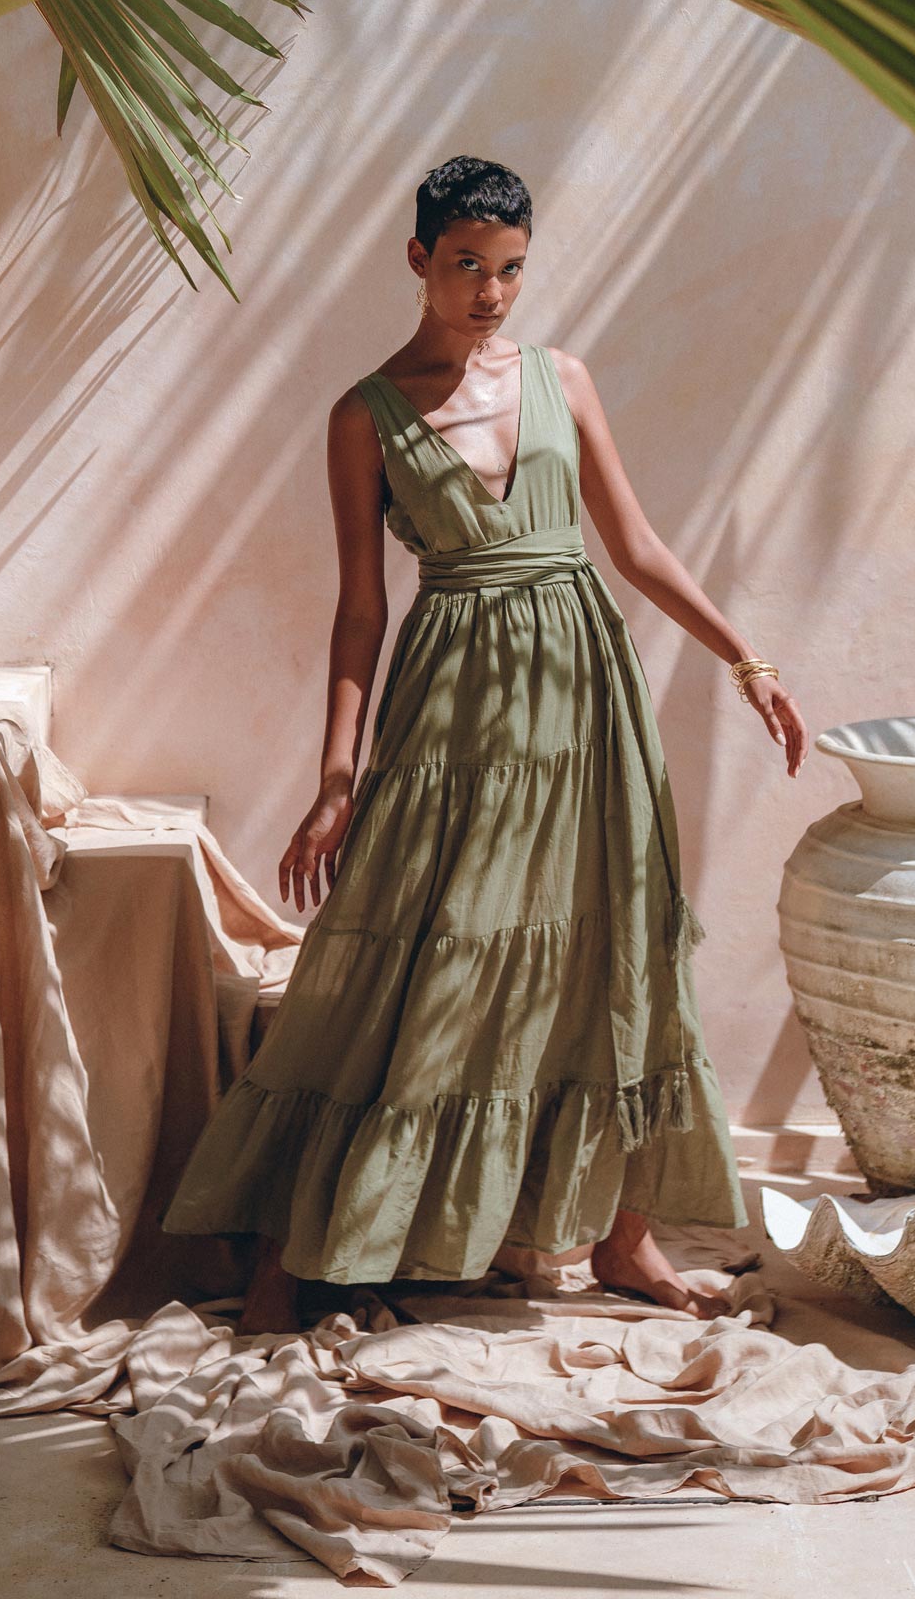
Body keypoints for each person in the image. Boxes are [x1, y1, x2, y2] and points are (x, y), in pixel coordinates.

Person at [162, 155, 807, 1333]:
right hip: (454, 706)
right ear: (417, 259)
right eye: (467, 265)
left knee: (617, 947)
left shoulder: (563, 377)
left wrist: (746, 659)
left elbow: (637, 544)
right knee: (407, 963)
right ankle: (299, 1252)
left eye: (510, 269)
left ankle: (626, 1240)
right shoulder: (363, 415)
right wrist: (335, 777)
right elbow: (361, 610)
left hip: (585, 698)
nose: (490, 293)